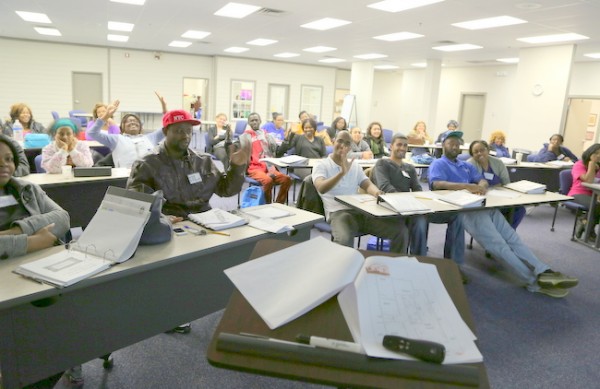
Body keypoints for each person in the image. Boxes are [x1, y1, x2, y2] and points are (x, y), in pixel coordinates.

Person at [429, 130, 579, 297]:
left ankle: (544, 271)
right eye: (451, 143)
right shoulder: (438, 163)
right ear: (443, 145)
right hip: (463, 210)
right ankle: (533, 281)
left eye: (458, 144)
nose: (455, 147)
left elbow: (481, 179)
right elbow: (437, 184)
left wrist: (482, 185)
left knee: (512, 238)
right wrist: (467, 187)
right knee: (498, 244)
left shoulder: (465, 165)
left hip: (480, 205)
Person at [372, 132, 465, 272]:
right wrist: (408, 201)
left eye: (405, 145)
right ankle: (411, 263)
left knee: (448, 217)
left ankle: (435, 264)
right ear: (391, 147)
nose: (402, 148)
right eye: (398, 145)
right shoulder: (382, 164)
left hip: (410, 208)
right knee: (419, 221)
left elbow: (417, 189)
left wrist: (416, 202)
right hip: (391, 208)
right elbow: (386, 188)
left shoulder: (409, 168)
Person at [312, 131, 408, 252]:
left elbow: (366, 184)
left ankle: (397, 264)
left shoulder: (354, 166)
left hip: (360, 211)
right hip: (338, 213)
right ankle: (344, 269)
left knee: (400, 232)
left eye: (347, 144)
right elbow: (321, 187)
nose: (343, 146)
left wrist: (377, 192)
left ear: (350, 148)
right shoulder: (321, 165)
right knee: (344, 240)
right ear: (333, 141)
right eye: (340, 141)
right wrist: (341, 173)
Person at [0, 134, 70, 259]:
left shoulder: (27, 189)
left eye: (9, 159)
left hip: (41, 260)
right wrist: (33, 242)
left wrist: (16, 231)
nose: (3, 164)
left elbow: (62, 218)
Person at [86, 96, 165, 168]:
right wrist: (106, 115)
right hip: (125, 178)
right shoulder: (116, 139)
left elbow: (168, 127)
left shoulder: (150, 137)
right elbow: (92, 133)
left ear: (140, 126)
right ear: (122, 128)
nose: (132, 122)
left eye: (135, 120)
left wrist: (164, 109)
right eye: (127, 121)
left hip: (149, 177)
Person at [468, 140, 526, 230]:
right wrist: (494, 186)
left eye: (482, 150)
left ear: (487, 150)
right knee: (494, 211)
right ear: (472, 154)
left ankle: (508, 232)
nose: (479, 153)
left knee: (520, 209)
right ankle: (501, 235)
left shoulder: (498, 162)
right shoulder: (469, 164)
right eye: (475, 152)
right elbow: (470, 185)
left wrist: (497, 187)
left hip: (500, 197)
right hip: (481, 199)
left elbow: (506, 183)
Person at [242, 112, 291, 203]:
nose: (254, 122)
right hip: (254, 168)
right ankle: (268, 205)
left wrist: (286, 140)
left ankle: (279, 204)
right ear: (249, 123)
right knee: (268, 181)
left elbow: (278, 152)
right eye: (252, 121)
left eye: (256, 120)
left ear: (260, 121)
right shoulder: (245, 137)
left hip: (269, 167)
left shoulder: (267, 135)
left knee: (287, 179)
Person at [568, 143, 600, 240]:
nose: (598, 156)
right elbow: (588, 181)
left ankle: (584, 221)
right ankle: (590, 231)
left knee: (598, 205)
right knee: (597, 206)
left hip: (594, 195)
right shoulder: (579, 164)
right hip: (578, 194)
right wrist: (592, 164)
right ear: (590, 153)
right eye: (596, 153)